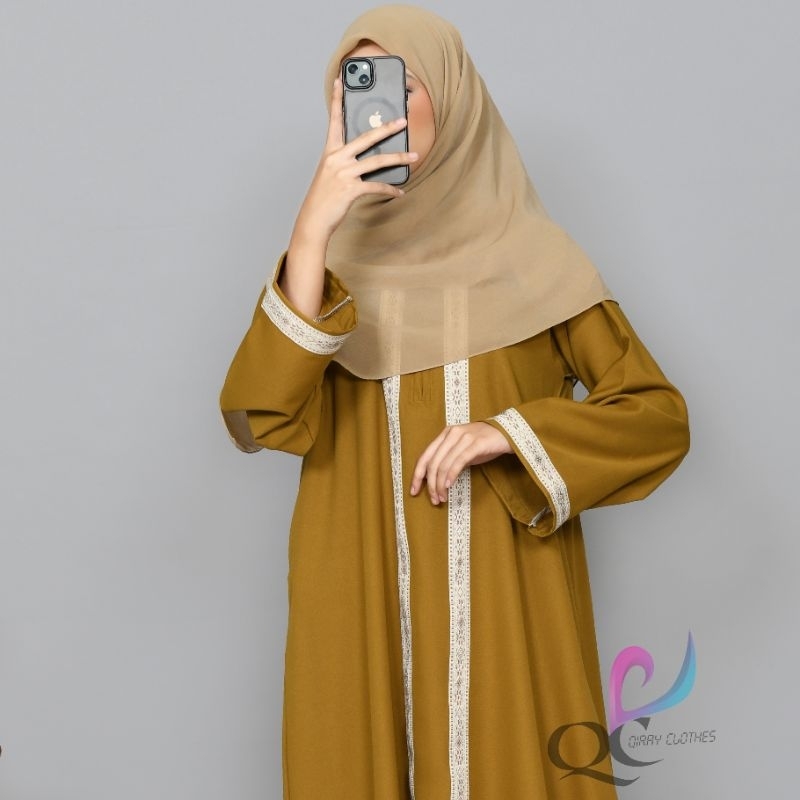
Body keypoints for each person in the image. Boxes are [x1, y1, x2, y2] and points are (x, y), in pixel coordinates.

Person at [220, 5, 689, 799]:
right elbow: (262, 415)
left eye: (402, 86)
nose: (380, 112)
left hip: (508, 601)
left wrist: (512, 434)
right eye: (353, 90)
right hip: (357, 593)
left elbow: (656, 418)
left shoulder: (536, 260)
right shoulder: (327, 271)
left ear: (454, 97)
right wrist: (311, 233)